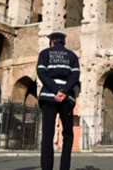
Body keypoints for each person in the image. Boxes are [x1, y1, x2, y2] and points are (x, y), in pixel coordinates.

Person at [37, 31, 80, 170]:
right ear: (64, 42)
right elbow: (75, 76)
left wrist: (56, 90)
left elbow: (41, 73)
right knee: (67, 134)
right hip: (66, 99)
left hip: (49, 97)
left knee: (47, 135)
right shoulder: (72, 56)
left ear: (52, 42)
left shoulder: (45, 53)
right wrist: (64, 91)